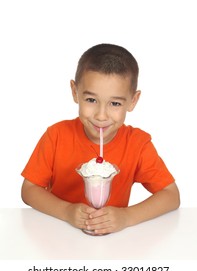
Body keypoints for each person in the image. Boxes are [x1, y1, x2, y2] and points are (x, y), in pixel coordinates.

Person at [21, 43, 180, 235]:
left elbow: (171, 196)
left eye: (115, 103)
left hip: (113, 243)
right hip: (57, 235)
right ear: (74, 92)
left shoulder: (137, 144)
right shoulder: (56, 136)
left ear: (133, 101)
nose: (101, 115)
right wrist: (66, 211)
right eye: (91, 100)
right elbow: (29, 190)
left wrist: (126, 217)